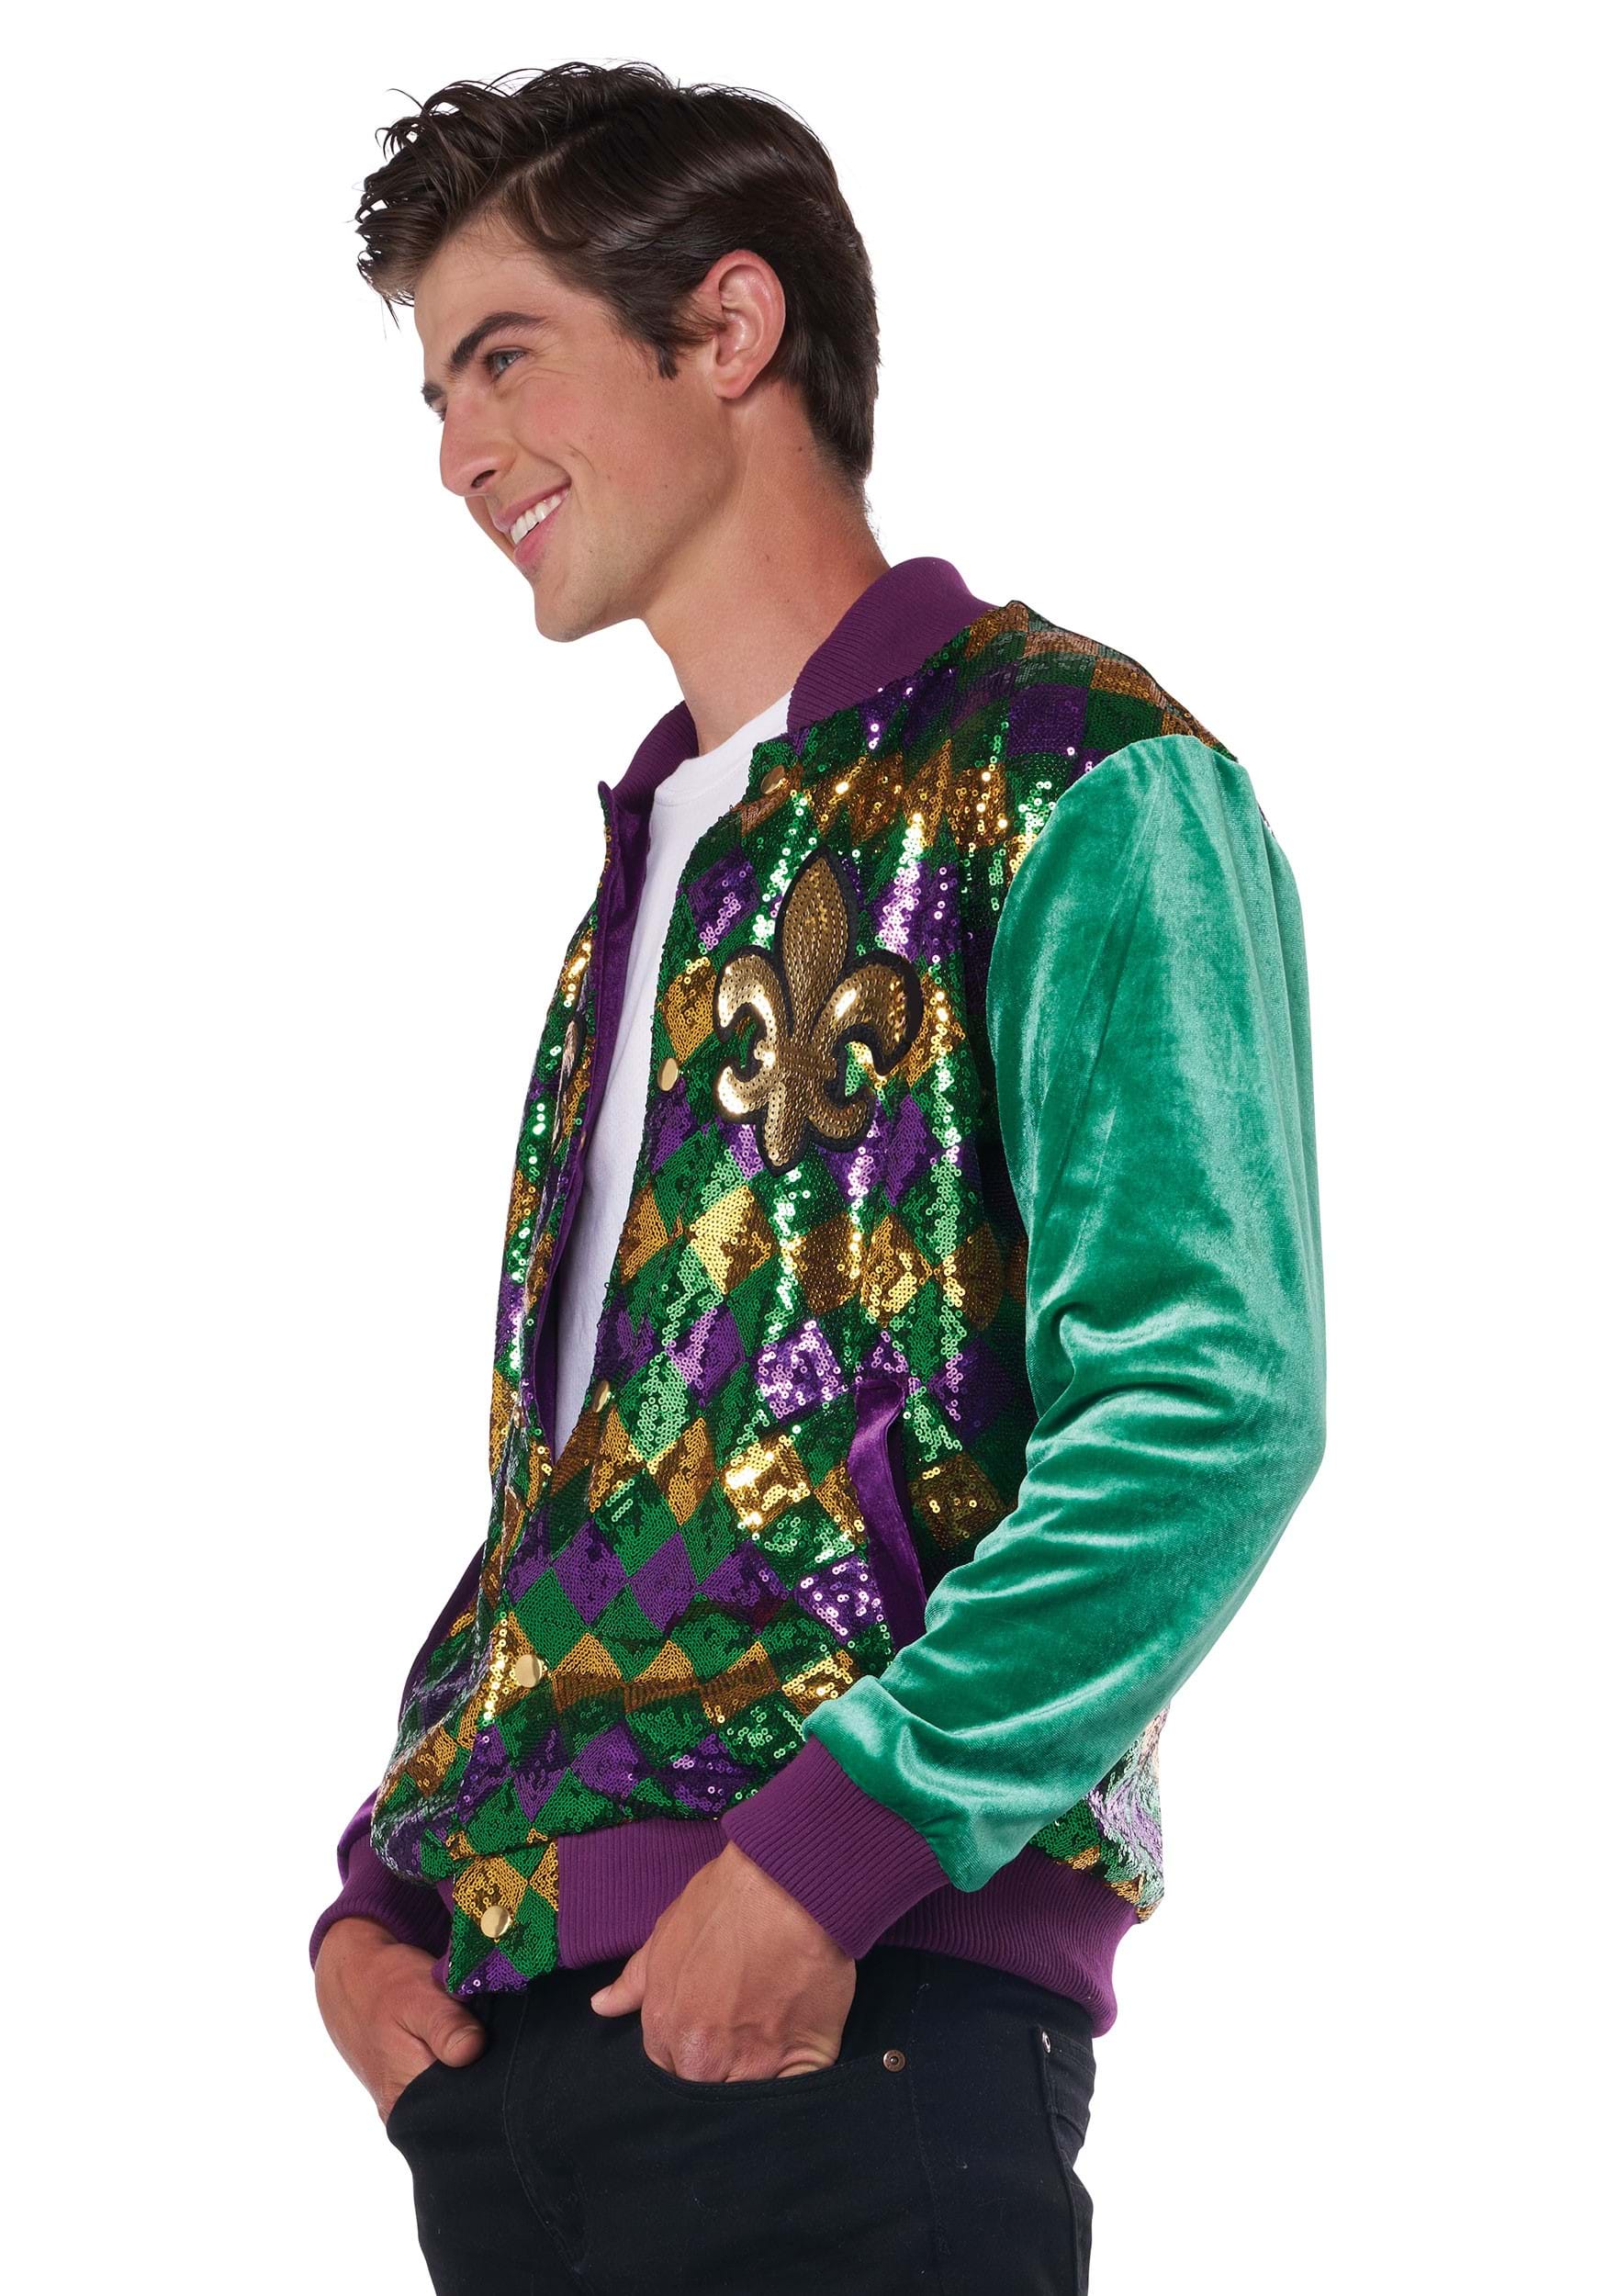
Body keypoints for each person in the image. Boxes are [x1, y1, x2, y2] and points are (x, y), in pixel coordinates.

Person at [309, 59, 1326, 2296]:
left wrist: (839, 1849)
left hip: (849, 2019)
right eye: (435, 392)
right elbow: (598, 1473)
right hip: (515, 2062)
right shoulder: (651, 861)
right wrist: (378, 1895)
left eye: (503, 358)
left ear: (728, 325)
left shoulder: (1072, 771)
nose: (459, 451)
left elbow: (1205, 1402)